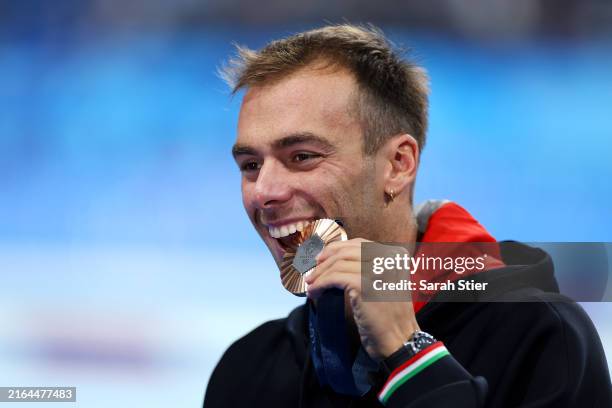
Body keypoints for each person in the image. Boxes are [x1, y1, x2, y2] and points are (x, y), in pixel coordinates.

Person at [204, 24, 611, 407]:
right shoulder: (249, 368)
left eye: (303, 157)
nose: (265, 192)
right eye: (250, 165)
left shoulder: (539, 338)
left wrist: (407, 352)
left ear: (398, 165)